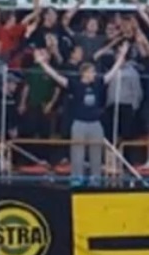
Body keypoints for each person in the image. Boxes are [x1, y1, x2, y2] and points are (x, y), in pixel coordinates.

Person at [33, 43, 129, 184]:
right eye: (92, 72)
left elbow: (113, 72)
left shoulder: (98, 84)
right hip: (79, 123)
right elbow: (56, 76)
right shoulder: (75, 85)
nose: (94, 74)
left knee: (96, 153)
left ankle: (96, 179)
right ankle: (77, 178)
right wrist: (43, 63)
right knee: (77, 153)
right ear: (85, 73)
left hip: (95, 123)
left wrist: (122, 55)